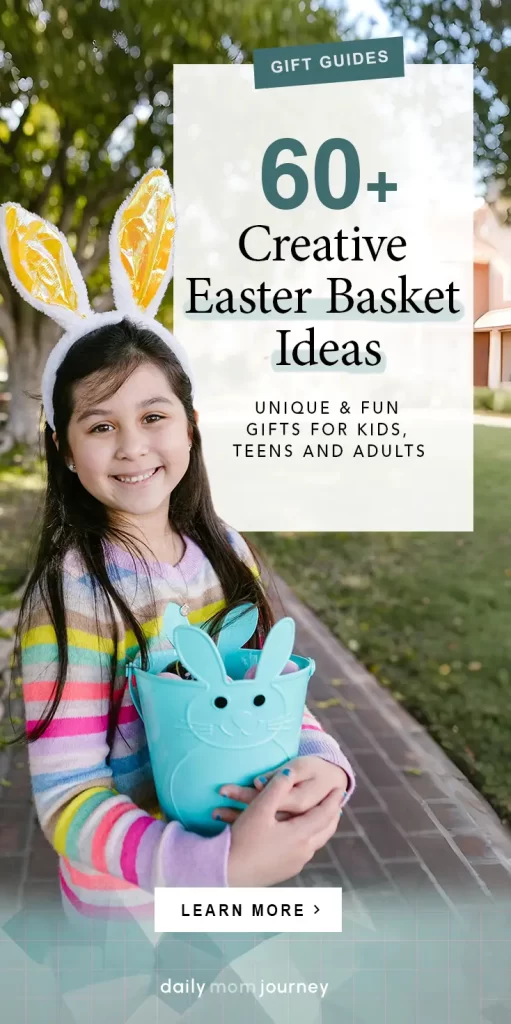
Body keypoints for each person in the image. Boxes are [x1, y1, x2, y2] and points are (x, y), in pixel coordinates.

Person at [2, 170, 355, 922]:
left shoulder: (226, 550)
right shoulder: (73, 593)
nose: (133, 447)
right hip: (123, 918)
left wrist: (324, 763)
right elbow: (66, 798)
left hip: (236, 887)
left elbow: (274, 688)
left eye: (154, 416)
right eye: (100, 426)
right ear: (65, 449)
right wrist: (213, 866)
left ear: (190, 425)